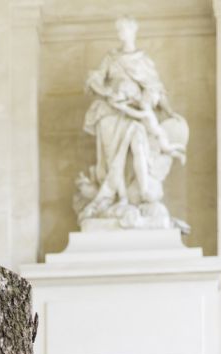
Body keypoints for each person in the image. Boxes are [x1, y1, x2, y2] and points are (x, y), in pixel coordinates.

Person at [75, 16, 189, 230]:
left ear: (133, 32)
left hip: (134, 112)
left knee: (138, 143)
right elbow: (95, 79)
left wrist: (167, 111)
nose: (121, 34)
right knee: (112, 158)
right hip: (110, 112)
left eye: (124, 30)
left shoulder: (142, 60)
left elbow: (155, 87)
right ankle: (120, 198)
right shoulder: (111, 58)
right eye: (118, 30)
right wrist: (105, 90)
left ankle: (141, 194)